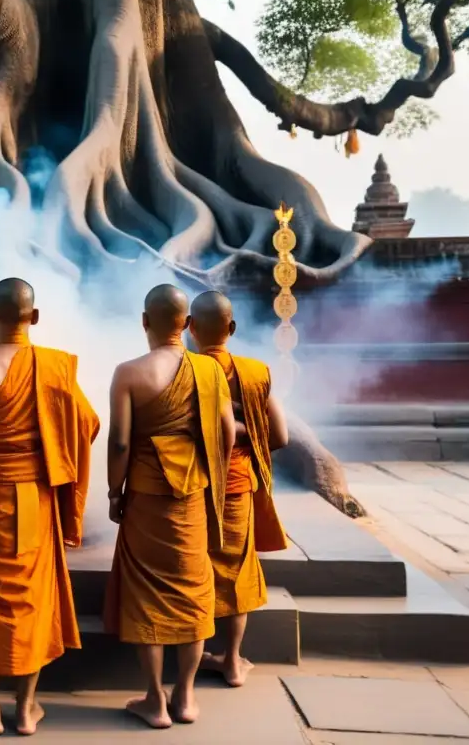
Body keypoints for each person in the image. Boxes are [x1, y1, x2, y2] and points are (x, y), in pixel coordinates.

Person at [0, 278, 99, 737]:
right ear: (34, 318)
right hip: (35, 496)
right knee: (33, 597)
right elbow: (88, 424)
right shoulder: (55, 368)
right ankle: (26, 708)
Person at [103, 284, 235, 729]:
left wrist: (114, 491)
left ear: (145, 321)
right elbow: (227, 433)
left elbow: (120, 440)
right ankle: (187, 696)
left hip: (145, 496)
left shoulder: (129, 372)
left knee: (147, 596)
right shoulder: (210, 370)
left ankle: (154, 700)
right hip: (192, 496)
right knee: (193, 592)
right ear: (188, 325)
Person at [188, 290, 290, 688]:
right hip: (236, 487)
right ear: (231, 328)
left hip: (189, 485)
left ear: (189, 327)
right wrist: (244, 430)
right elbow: (278, 436)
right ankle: (232, 661)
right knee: (235, 572)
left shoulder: (182, 370)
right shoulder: (254, 371)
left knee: (193, 570)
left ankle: (187, 666)